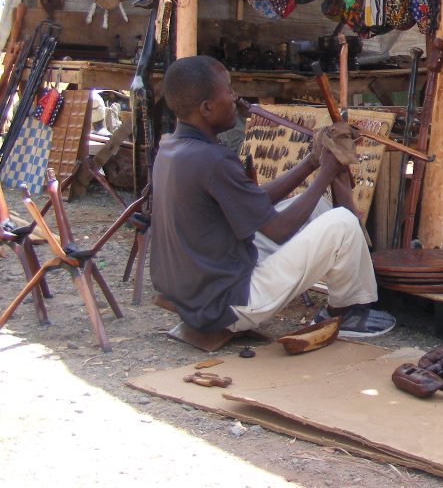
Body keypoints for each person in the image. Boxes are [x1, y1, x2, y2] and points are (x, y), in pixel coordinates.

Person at [151, 55, 394, 339]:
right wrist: (328, 172)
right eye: (228, 90)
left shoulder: (173, 147)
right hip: (226, 304)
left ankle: (347, 303)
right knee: (341, 223)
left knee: (322, 211)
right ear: (206, 108)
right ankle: (346, 313)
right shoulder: (212, 160)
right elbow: (278, 231)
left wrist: (312, 163)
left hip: (195, 293)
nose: (235, 97)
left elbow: (254, 199)